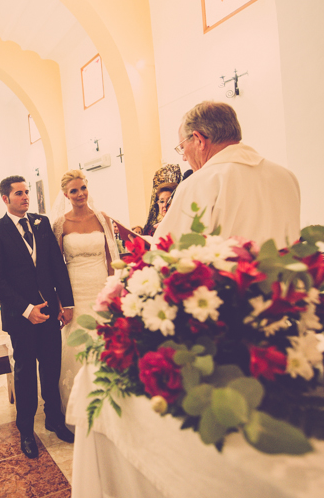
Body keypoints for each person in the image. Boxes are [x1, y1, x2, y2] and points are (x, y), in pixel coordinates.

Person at [0, 175, 75, 459]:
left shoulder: (42, 222)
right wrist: (27, 310)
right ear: (5, 199)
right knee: (25, 373)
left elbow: (55, 265)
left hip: (49, 309)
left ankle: (54, 419)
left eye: (26, 192)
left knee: (52, 366)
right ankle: (26, 429)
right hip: (20, 315)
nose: (26, 197)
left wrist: (67, 302)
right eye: (19, 194)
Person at [154, 101, 301, 246]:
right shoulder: (286, 176)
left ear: (199, 139)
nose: (184, 157)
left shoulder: (199, 183)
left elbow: (169, 253)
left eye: (182, 147)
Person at [51, 169, 121, 416]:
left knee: (105, 340)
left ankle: (110, 400)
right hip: (75, 291)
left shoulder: (102, 218)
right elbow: (55, 265)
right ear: (65, 194)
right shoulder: (60, 224)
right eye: (74, 191)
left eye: (83, 188)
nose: (80, 194)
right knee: (78, 345)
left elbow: (113, 256)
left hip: (100, 286)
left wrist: (114, 291)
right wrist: (61, 302)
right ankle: (79, 407)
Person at [141, 164, 182, 236]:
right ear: (157, 203)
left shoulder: (182, 225)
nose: (165, 205)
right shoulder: (152, 229)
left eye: (169, 201)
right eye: (162, 201)